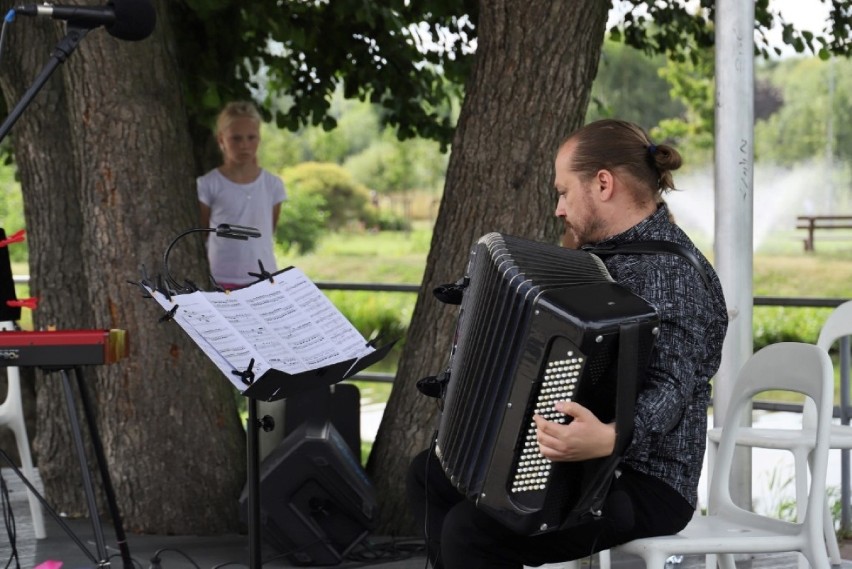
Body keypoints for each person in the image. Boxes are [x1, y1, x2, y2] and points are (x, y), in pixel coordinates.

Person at [406, 119, 729, 568]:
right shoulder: (597, 260)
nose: (558, 209)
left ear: (602, 184)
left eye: (563, 191)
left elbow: (671, 389)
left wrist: (611, 437)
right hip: (580, 462)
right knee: (429, 475)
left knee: (471, 531)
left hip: (643, 482)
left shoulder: (671, 273)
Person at [197, 101, 287, 290]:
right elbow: (203, 233)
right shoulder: (208, 184)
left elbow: (268, 229)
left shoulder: (272, 185)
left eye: (251, 137)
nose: (244, 145)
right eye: (236, 138)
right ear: (221, 139)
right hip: (220, 278)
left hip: (263, 277)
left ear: (259, 138)